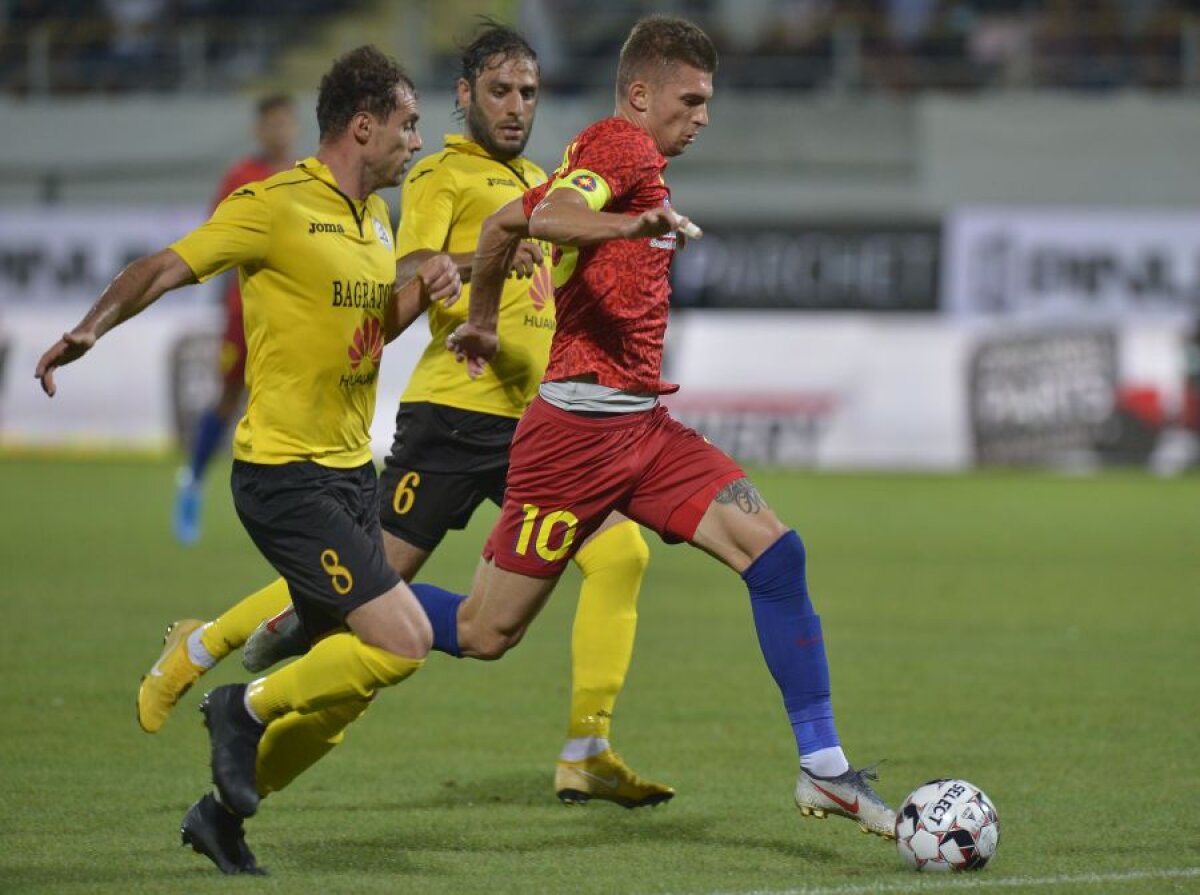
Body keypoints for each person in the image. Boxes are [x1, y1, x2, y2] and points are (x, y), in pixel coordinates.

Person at [135, 22, 672, 810]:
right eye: (499, 90)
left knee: (619, 553)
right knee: (359, 605)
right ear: (465, 96)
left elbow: (545, 274)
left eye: (528, 91)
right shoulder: (439, 174)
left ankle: (587, 744)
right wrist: (485, 255)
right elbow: (410, 271)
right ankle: (206, 644)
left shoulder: (539, 180)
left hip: (535, 425)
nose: (517, 105)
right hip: (451, 421)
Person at [428, 13, 898, 839]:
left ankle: (824, 769)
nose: (703, 116)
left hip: (642, 428)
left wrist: (485, 319)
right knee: (484, 630)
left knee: (776, 553)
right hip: (572, 439)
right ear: (642, 94)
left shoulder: (615, 151)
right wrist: (629, 225)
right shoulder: (623, 147)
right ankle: (355, 597)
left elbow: (505, 225)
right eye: (693, 98)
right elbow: (556, 217)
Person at [35, 45, 461, 875]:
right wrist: (90, 327)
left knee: (347, 695)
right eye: (407, 124)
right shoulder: (273, 204)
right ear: (362, 125)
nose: (417, 139)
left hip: (350, 476)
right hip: (284, 475)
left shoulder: (376, 221)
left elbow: (369, 333)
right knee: (402, 642)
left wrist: (429, 282)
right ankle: (241, 703)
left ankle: (220, 813)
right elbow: (165, 264)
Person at [174, 93, 298, 546]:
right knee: (229, 397)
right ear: (259, 129)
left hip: (295, 315)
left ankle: (294, 501)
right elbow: (216, 241)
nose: (279, 130)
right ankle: (192, 482)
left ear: (295, 127)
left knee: (290, 400)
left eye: (286, 122)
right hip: (243, 312)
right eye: (272, 123)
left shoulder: (308, 178)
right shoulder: (241, 178)